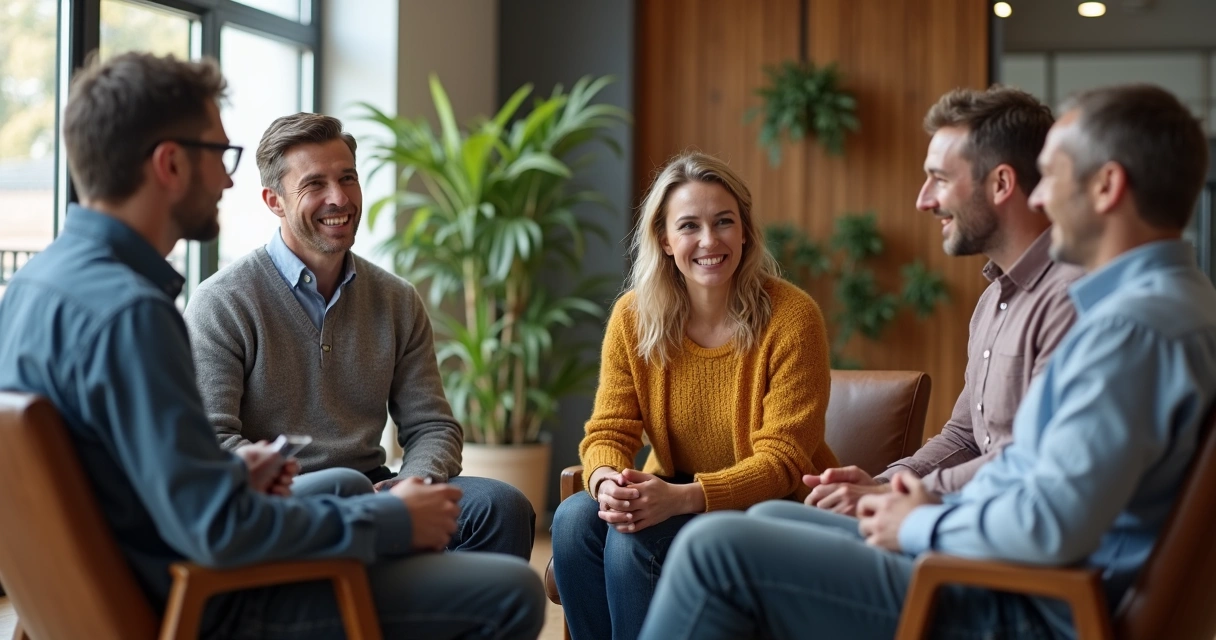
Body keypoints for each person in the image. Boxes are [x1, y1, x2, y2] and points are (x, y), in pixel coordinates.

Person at [637, 83, 1216, 640]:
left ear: (1108, 186)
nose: (1039, 198)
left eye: (1055, 177)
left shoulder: (1130, 329)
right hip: (1024, 576)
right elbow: (1021, 467)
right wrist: (902, 491)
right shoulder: (1162, 308)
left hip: (1031, 602)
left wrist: (916, 521)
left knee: (715, 549)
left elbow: (1048, 519)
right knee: (762, 526)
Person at [0, 52, 543, 640]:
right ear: (171, 163)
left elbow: (164, 481)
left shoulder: (37, 284)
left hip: (143, 577)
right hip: (206, 600)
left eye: (347, 177)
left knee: (374, 488)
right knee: (513, 594)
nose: (228, 179)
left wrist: (371, 493)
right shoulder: (133, 313)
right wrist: (380, 521)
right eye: (220, 155)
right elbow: (214, 528)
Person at [182, 112, 534, 561]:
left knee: (501, 508)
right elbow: (213, 440)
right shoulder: (222, 302)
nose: (339, 198)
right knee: (347, 490)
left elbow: (432, 425)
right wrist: (330, 497)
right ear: (274, 201)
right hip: (286, 503)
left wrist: (416, 482)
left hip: (377, 486)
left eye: (347, 178)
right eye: (314, 185)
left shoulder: (396, 299)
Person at [551, 151, 839, 640]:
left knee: (633, 541)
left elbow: (784, 460)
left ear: (745, 231)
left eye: (724, 222)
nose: (709, 241)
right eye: (689, 226)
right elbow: (609, 429)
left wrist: (685, 498)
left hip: (773, 506)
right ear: (664, 239)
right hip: (674, 489)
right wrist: (605, 483)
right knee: (576, 518)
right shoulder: (633, 317)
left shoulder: (793, 317)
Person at [807, 86, 1082, 515]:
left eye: (940, 178)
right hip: (954, 523)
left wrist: (897, 497)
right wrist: (884, 482)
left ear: (1001, 183)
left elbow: (1029, 460)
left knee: (718, 542)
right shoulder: (993, 299)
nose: (923, 200)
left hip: (983, 544)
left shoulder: (1070, 300)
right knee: (770, 518)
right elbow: (964, 437)